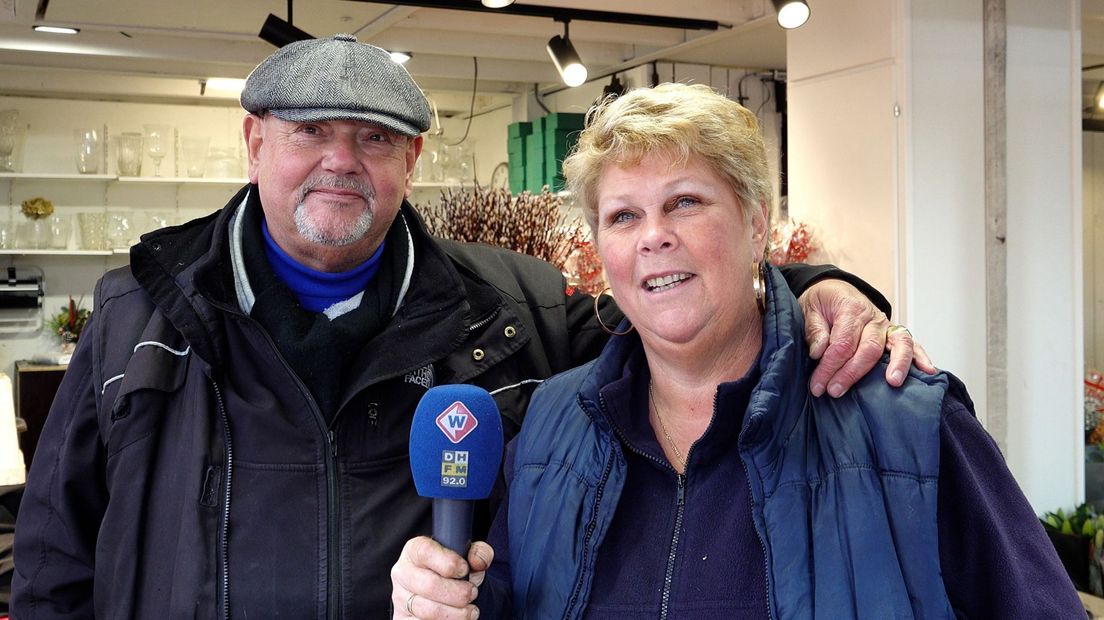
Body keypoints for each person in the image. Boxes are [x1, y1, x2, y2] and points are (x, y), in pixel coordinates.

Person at [12, 38, 923, 619]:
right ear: (255, 145)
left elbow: (673, 309)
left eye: (373, 139)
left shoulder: (514, 307)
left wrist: (809, 287)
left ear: (411, 159)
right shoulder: (140, 315)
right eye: (310, 132)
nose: (341, 161)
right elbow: (56, 557)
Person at [389, 83, 1084, 619]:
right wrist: (447, 599)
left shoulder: (906, 425)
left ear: (757, 227)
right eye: (623, 215)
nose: (653, 235)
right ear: (601, 253)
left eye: (686, 202)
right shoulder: (548, 430)